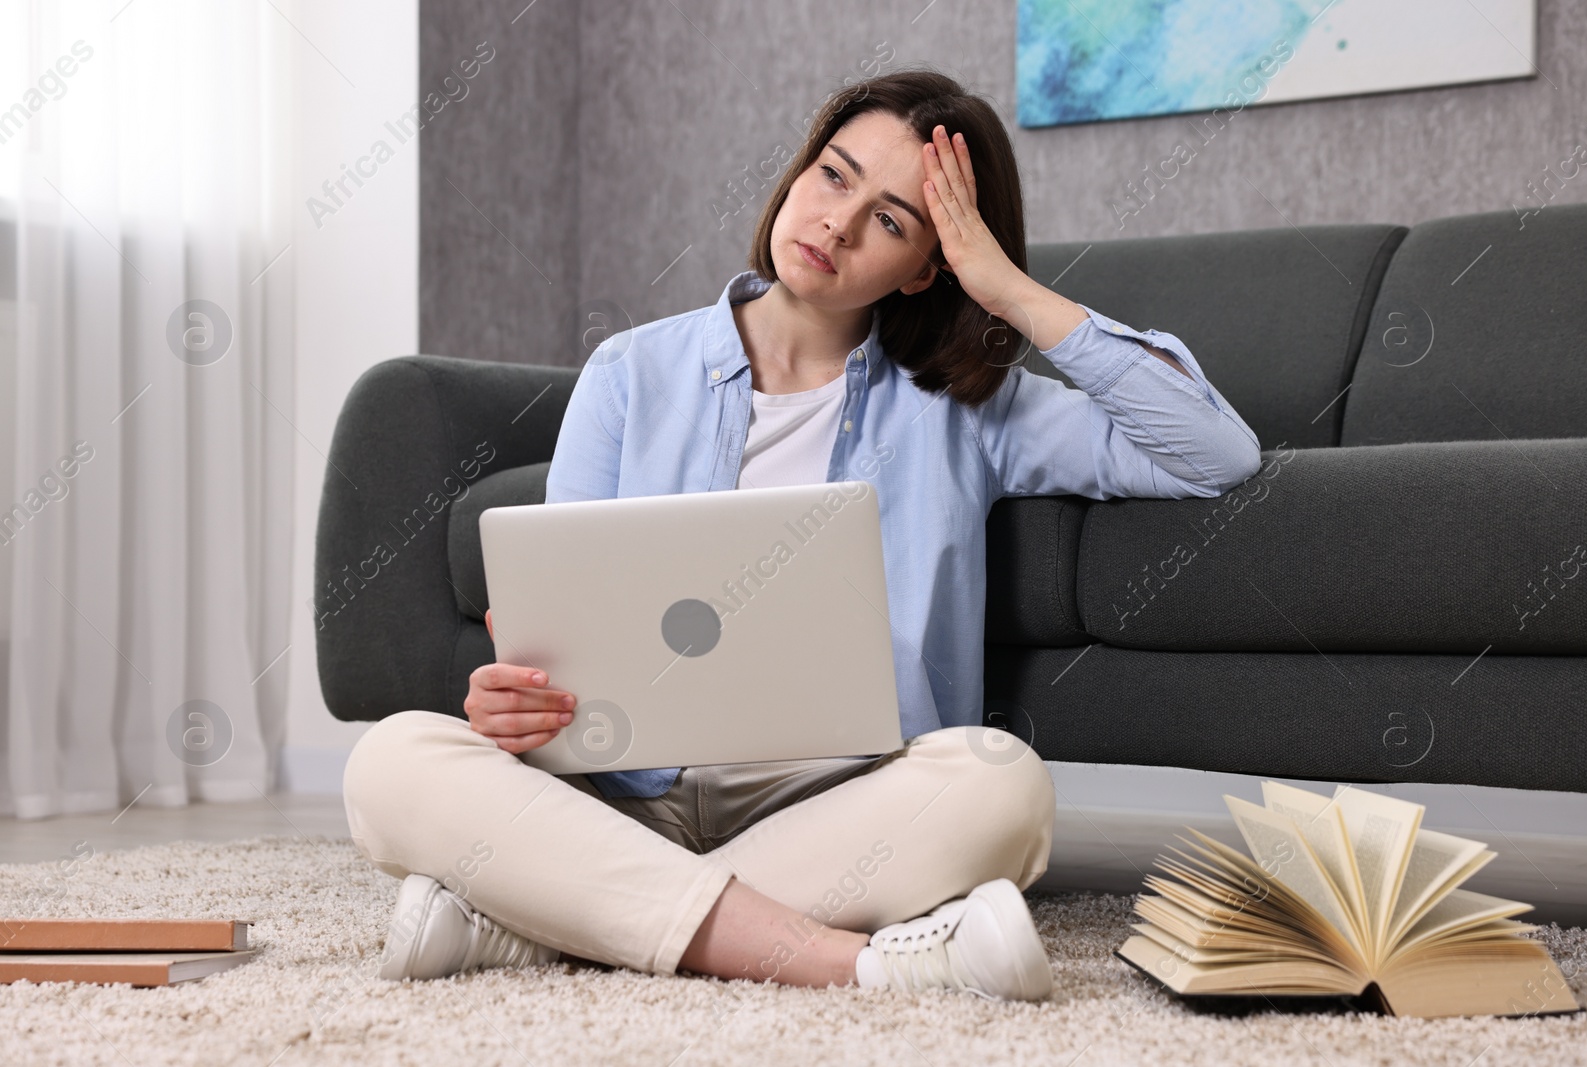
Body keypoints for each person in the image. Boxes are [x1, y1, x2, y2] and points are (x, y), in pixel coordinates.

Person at [341, 67, 1262, 1002]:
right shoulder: (628, 373)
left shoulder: (969, 406)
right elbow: (563, 635)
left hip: (834, 803)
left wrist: (1007, 287)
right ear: (796, 175)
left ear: (927, 265)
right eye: (834, 175)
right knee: (392, 763)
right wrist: (517, 707)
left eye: (894, 220)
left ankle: (553, 918)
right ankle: (844, 959)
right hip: (623, 792)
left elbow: (1211, 453)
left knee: (1003, 786)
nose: (838, 223)